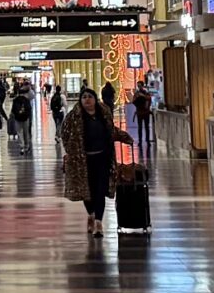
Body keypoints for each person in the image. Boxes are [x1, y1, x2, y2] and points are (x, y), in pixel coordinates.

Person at [59, 88, 136, 237]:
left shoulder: (103, 115)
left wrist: (125, 137)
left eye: (90, 97)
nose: (87, 100)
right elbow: (64, 133)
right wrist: (71, 150)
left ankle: (99, 223)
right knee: (87, 192)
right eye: (84, 97)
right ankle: (91, 214)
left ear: (95, 99)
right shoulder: (74, 117)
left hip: (102, 159)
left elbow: (111, 130)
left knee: (100, 190)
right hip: (83, 161)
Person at [7, 81, 33, 153]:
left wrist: (13, 115)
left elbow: (13, 109)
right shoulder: (26, 100)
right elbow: (29, 109)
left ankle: (22, 146)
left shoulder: (15, 100)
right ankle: (27, 146)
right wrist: (28, 117)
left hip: (17, 118)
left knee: (19, 132)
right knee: (26, 132)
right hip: (25, 118)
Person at [132, 80, 154, 151]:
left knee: (146, 127)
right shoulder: (137, 93)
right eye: (138, 86)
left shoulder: (145, 93)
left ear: (142, 85)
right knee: (140, 127)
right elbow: (133, 101)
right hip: (140, 112)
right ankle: (140, 141)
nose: (139, 87)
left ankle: (147, 140)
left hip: (145, 112)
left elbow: (149, 99)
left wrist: (143, 96)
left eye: (140, 85)